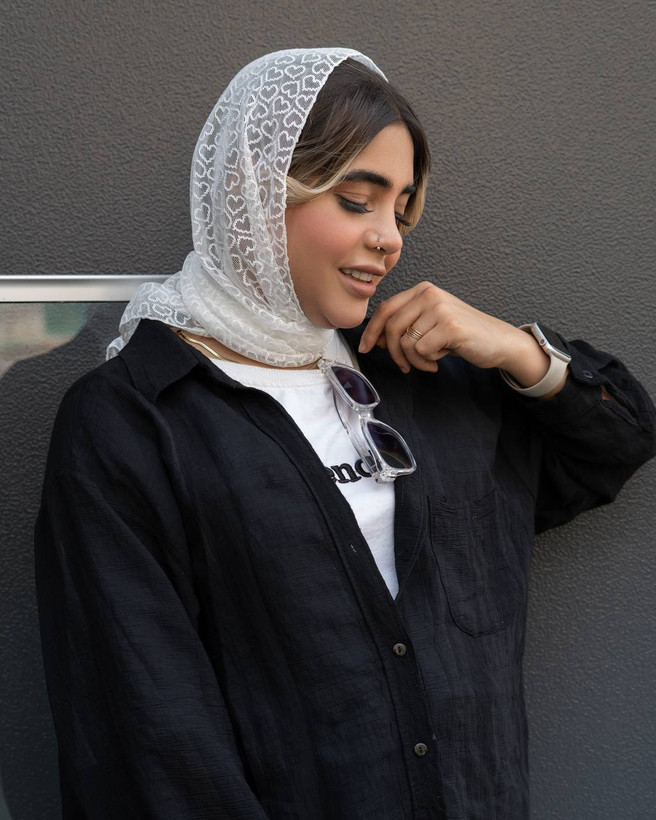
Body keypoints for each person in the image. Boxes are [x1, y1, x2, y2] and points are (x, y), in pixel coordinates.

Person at [35, 47, 655, 819]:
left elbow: (617, 440)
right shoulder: (135, 420)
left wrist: (518, 350)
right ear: (256, 192)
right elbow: (150, 738)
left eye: (401, 209)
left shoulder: (420, 375)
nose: (390, 238)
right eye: (358, 202)